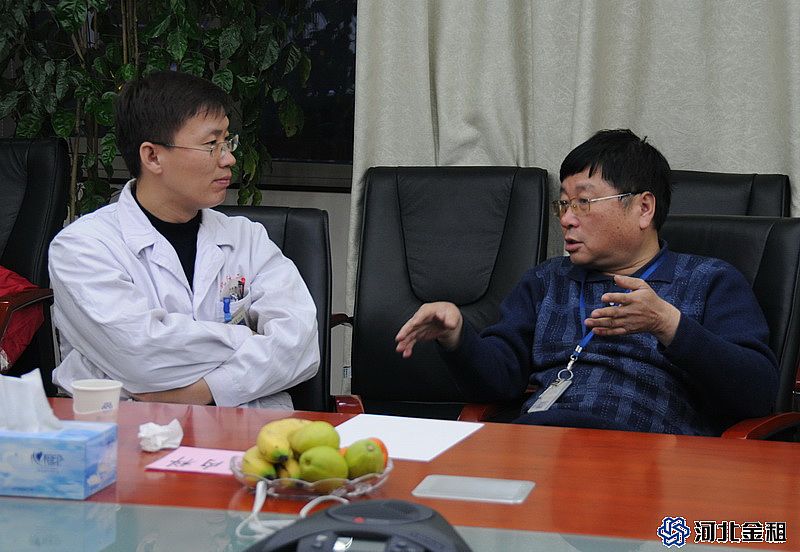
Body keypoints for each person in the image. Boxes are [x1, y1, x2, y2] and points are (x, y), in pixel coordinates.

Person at [395, 129, 778, 435]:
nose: (566, 219)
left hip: (651, 461)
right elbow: (498, 383)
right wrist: (458, 337)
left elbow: (757, 393)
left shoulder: (710, 281)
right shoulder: (546, 280)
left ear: (643, 208)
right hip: (541, 446)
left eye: (583, 202)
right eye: (563, 204)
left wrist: (669, 325)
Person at [49, 71, 319, 409]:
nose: (229, 158)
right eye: (211, 145)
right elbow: (141, 355)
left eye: (227, 142)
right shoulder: (82, 247)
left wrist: (207, 389)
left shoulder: (248, 238)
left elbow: (301, 347)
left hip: (250, 430)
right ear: (152, 156)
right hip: (125, 429)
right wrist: (249, 339)